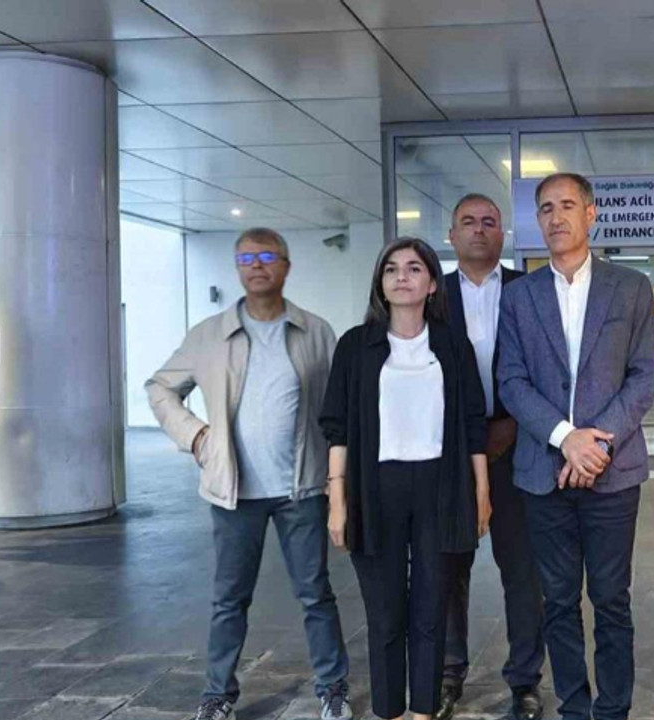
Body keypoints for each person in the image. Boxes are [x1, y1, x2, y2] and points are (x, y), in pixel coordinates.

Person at [146, 227, 352, 720]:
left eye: (266, 257)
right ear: (237, 268)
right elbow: (160, 387)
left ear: (286, 265)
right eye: (245, 259)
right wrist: (196, 435)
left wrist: (339, 480)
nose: (256, 266)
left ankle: (333, 688)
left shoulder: (315, 331)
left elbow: (339, 408)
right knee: (229, 599)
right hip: (233, 492)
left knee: (315, 594)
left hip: (302, 487)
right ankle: (218, 694)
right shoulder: (209, 335)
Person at [496, 172, 654, 720]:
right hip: (543, 473)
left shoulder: (631, 287)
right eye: (546, 208)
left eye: (567, 205)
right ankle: (573, 707)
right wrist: (566, 439)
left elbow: (643, 376)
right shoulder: (518, 297)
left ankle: (612, 710)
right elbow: (511, 380)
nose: (556, 216)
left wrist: (596, 447)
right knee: (558, 601)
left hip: (613, 473)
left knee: (611, 599)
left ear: (591, 214)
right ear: (537, 220)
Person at [319, 237, 490, 720]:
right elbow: (338, 428)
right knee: (385, 613)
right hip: (375, 489)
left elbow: (473, 423)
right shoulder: (356, 346)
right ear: (380, 283)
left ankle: (423, 712)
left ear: (432, 283)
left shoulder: (453, 345)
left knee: (431, 611)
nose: (401, 276)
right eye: (391, 268)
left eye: (414, 268)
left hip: (442, 487)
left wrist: (481, 491)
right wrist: (337, 498)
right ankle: (390, 711)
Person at [436, 194, 546, 720]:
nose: (479, 230)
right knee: (447, 569)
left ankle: (525, 681)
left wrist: (514, 422)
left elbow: (548, 368)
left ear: (503, 234)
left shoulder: (529, 291)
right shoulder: (432, 294)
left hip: (517, 447)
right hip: (448, 455)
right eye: (468, 222)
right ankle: (447, 674)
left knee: (522, 573)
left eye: (489, 222)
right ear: (451, 235)